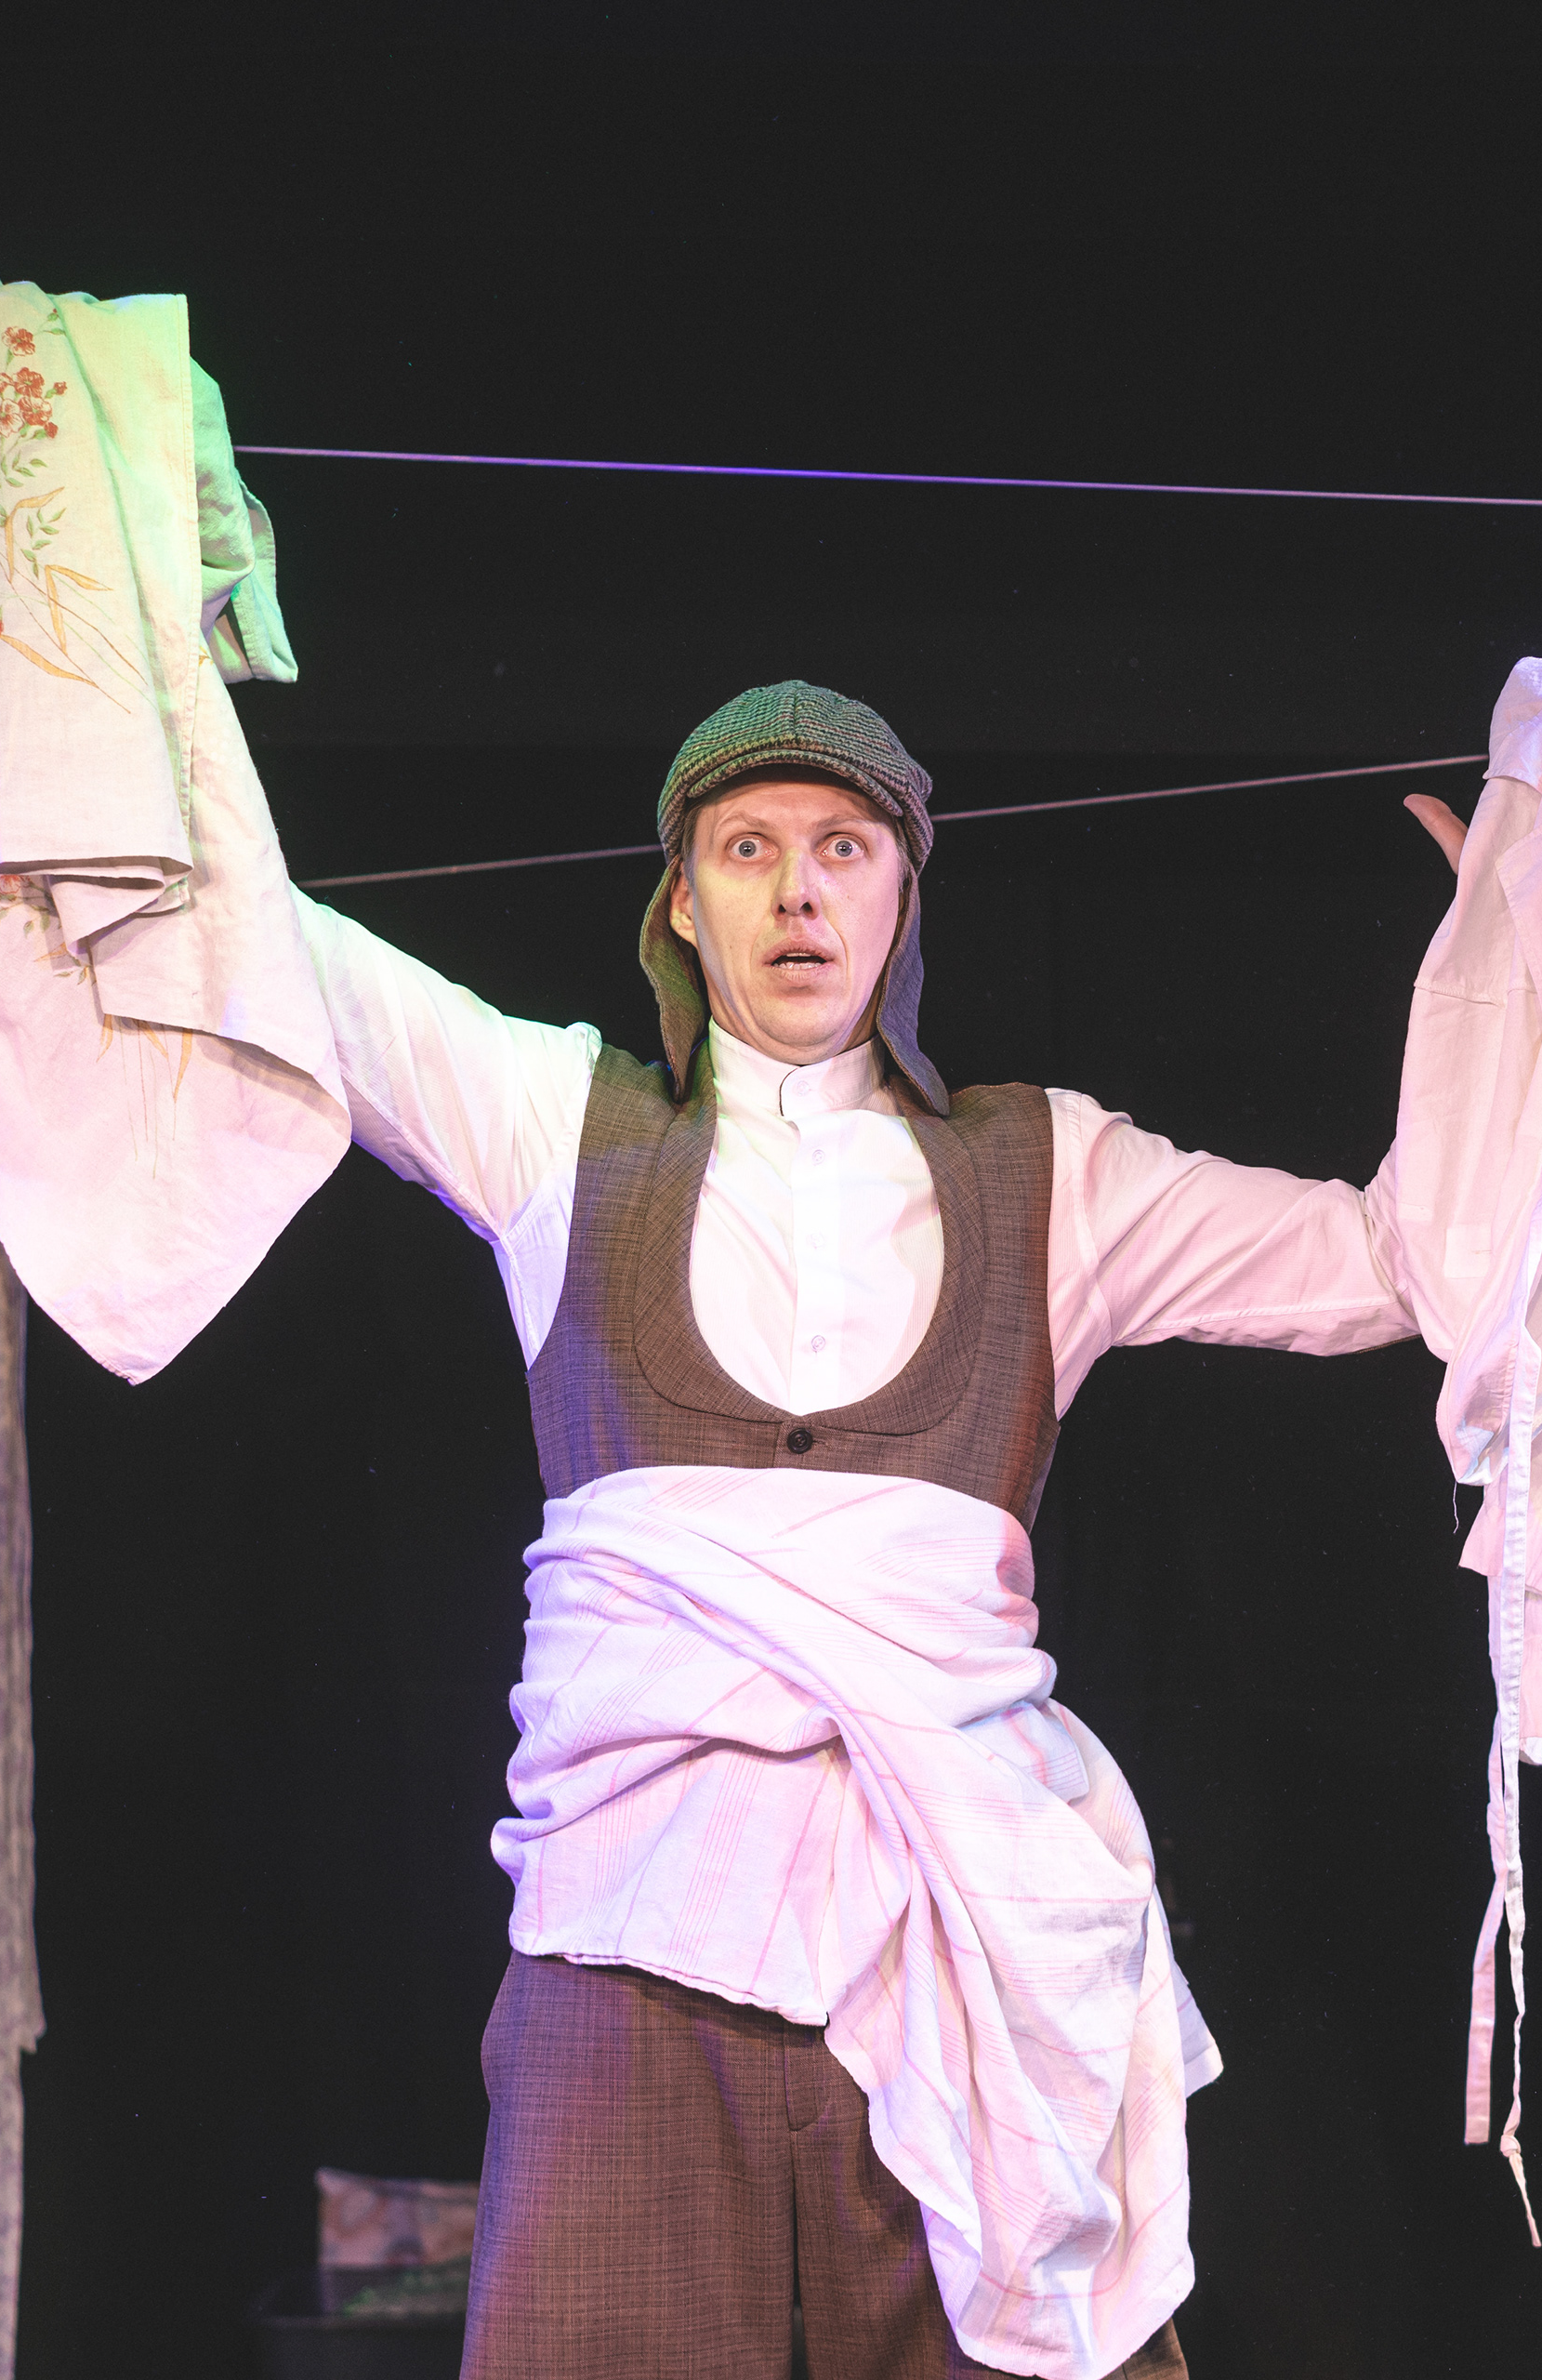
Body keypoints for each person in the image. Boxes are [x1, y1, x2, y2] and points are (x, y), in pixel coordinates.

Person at [293, 681, 1475, 2380]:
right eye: (748, 850)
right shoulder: (557, 1126)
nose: (799, 892)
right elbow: (287, 967)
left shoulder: (1050, 1170)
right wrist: (101, 636)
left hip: (953, 1938)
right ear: (680, 902)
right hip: (635, 1938)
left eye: (844, 849)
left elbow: (1387, 1264)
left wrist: (1514, 965)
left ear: (905, 891)